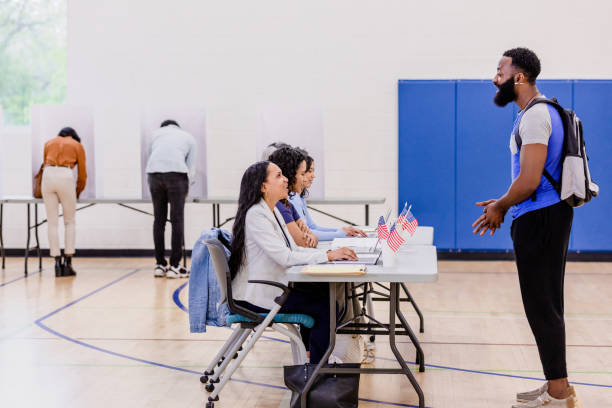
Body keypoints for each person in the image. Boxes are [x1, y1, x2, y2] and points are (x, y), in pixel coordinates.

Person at [472, 48, 580, 408]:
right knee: (546, 303)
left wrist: (501, 205)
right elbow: (528, 181)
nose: (495, 77)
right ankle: (556, 383)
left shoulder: (535, 116)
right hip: (545, 215)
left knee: (541, 305)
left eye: (500, 70)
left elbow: (530, 180)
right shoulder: (539, 112)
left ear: (519, 77)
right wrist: (503, 201)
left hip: (541, 218)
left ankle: (559, 391)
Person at [229, 161, 357, 363]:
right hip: (258, 297)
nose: (286, 179)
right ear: (263, 186)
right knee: (326, 304)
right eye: (279, 176)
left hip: (274, 287)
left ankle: (314, 357)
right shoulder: (256, 215)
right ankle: (317, 366)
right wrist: (327, 256)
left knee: (325, 294)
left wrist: (328, 254)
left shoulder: (272, 211)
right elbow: (285, 257)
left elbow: (292, 249)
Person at [146, 119, 197, 279]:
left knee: (159, 221)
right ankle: (175, 266)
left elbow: (150, 158)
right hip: (177, 175)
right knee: (177, 220)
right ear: (177, 127)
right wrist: (187, 187)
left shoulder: (155, 135)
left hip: (154, 175)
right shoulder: (188, 137)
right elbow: (191, 168)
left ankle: (159, 265)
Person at [289, 148, 366, 240]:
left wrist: (341, 231)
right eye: (309, 171)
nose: (313, 176)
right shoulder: (293, 198)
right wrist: (339, 234)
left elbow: (312, 227)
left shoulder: (299, 198)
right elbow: (306, 233)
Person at [41, 126, 87, 277]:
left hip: (47, 175)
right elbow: (82, 175)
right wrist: (77, 192)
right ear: (74, 136)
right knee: (69, 221)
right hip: (65, 175)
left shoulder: (48, 143)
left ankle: (56, 262)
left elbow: (43, 165)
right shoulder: (77, 145)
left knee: (52, 222)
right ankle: (68, 262)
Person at [268, 147, 319, 248]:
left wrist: (311, 237)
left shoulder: (287, 204)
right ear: (290, 174)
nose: (305, 179)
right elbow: (305, 243)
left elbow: (312, 236)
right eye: (302, 174)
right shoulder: (278, 205)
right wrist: (310, 238)